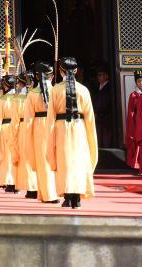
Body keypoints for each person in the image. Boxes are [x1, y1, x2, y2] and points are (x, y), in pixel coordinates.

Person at [46, 57, 97, 209]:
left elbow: (51, 116)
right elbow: (90, 117)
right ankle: (77, 198)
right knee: (79, 161)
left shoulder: (55, 89)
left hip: (61, 128)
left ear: (60, 71)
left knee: (65, 161)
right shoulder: (84, 90)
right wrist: (90, 136)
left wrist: (50, 135)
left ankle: (68, 197)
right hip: (80, 128)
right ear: (75, 71)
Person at [25, 63, 58, 203]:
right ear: (52, 76)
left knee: (43, 160)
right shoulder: (57, 91)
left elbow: (28, 119)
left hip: (39, 127)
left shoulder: (32, 94)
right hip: (56, 125)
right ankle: (54, 192)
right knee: (55, 159)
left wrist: (27, 136)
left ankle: (47, 194)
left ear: (37, 77)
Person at [0, 75, 18, 192]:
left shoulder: (2, 100)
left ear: (6, 86)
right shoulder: (19, 98)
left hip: (5, 128)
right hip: (17, 127)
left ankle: (8, 181)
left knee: (6, 156)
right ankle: (16, 181)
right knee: (16, 155)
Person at [125, 72, 142, 169]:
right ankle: (137, 164)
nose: (141, 83)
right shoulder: (133, 95)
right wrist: (132, 124)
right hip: (136, 121)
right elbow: (131, 111)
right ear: (136, 83)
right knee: (137, 140)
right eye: (139, 81)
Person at [91, 66, 114, 148]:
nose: (99, 77)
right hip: (99, 118)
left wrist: (98, 113)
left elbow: (105, 103)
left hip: (106, 118)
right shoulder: (98, 87)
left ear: (106, 76)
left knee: (106, 140)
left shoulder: (109, 88)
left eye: (101, 75)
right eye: (98, 75)